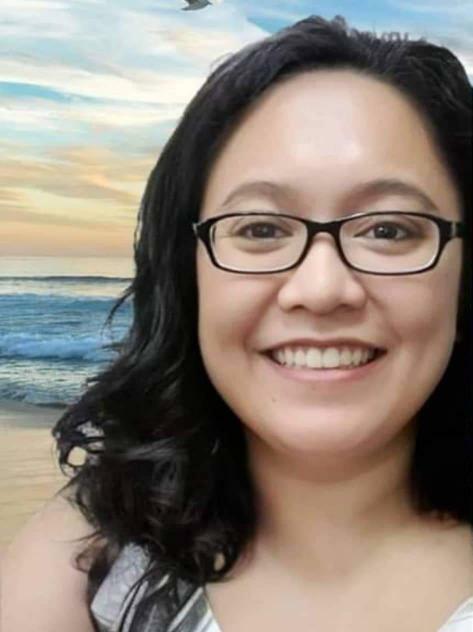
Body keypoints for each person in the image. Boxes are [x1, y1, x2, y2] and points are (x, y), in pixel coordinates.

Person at [1, 14, 472, 632]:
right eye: (261, 228)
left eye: (388, 230)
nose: (321, 289)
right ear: (187, 274)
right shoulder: (85, 567)